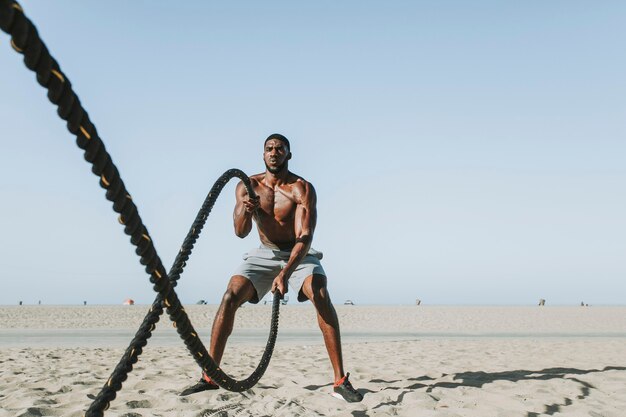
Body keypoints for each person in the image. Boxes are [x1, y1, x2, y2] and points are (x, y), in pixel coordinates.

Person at [181, 134, 363, 402]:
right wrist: (246, 210)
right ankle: (209, 376)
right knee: (230, 296)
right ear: (263, 154)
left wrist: (286, 272)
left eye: (280, 149)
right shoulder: (248, 186)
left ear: (289, 155)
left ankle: (339, 380)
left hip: (299, 253)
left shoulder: (301, 188)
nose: (274, 152)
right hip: (265, 253)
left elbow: (305, 236)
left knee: (320, 293)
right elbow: (240, 232)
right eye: (269, 149)